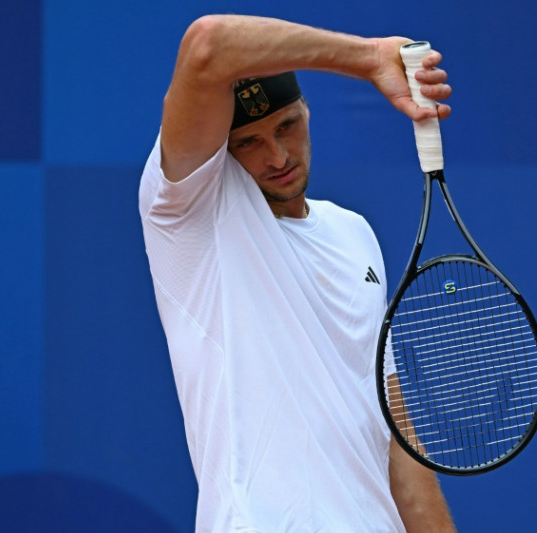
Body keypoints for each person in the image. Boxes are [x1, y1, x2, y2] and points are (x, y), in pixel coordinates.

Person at [138, 14, 455, 532]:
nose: (278, 155)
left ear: (308, 112)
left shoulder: (355, 234)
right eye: (249, 142)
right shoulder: (189, 215)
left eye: (287, 126)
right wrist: (369, 57)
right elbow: (208, 44)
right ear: (222, 148)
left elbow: (394, 438)